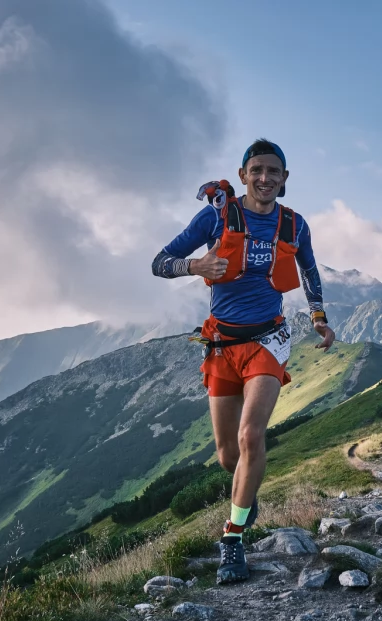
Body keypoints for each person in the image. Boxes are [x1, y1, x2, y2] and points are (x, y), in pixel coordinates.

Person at [151, 138, 334, 585]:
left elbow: (309, 271)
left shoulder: (295, 225)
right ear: (242, 175)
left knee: (252, 435)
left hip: (269, 339)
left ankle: (231, 540)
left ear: (285, 180)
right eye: (257, 170)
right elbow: (160, 262)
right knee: (227, 455)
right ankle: (245, 501)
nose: (265, 178)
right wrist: (195, 268)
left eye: (274, 171)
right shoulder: (216, 217)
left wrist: (319, 318)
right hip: (221, 345)